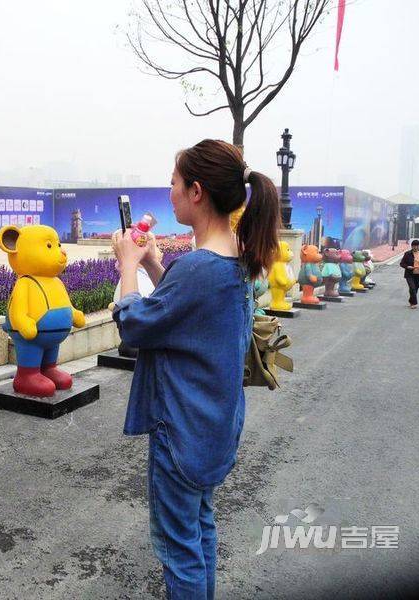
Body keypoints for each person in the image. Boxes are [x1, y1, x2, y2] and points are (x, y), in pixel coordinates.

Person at [111, 139, 280, 599]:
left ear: (197, 191)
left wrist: (127, 264)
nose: (170, 194)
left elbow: (135, 325)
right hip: (214, 429)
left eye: (174, 184)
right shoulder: (236, 261)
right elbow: (188, 310)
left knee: (178, 548)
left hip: (181, 431)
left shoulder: (201, 267)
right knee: (199, 531)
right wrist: (153, 262)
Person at [399, 239, 419, 308]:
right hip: (409, 274)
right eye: (414, 246)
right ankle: (414, 304)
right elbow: (402, 263)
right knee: (412, 288)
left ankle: (411, 301)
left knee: (416, 288)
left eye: (417, 246)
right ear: (411, 246)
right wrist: (408, 266)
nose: (415, 247)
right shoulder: (407, 253)